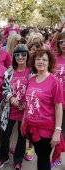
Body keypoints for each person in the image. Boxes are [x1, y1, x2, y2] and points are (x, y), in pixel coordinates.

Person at [21, 49, 64, 170]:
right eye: (38, 59)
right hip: (31, 125)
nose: (40, 62)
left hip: (46, 128)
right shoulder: (31, 80)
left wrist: (57, 131)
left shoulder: (54, 82)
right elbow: (27, 103)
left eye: (44, 59)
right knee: (40, 155)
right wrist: (24, 121)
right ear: (33, 62)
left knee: (43, 158)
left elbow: (58, 107)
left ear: (49, 63)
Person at [0, 44, 30, 170]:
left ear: (27, 55)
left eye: (23, 54)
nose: (20, 57)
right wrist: (10, 97)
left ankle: (18, 160)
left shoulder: (32, 72)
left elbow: (35, 89)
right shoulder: (9, 71)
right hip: (10, 110)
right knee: (5, 134)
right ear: (14, 56)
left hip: (25, 112)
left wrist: (27, 101)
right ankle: (4, 157)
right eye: (17, 54)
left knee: (22, 137)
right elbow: (4, 89)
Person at [51, 31, 65, 168]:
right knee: (56, 131)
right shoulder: (54, 57)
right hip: (55, 102)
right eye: (61, 42)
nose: (64, 44)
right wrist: (60, 29)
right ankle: (57, 157)